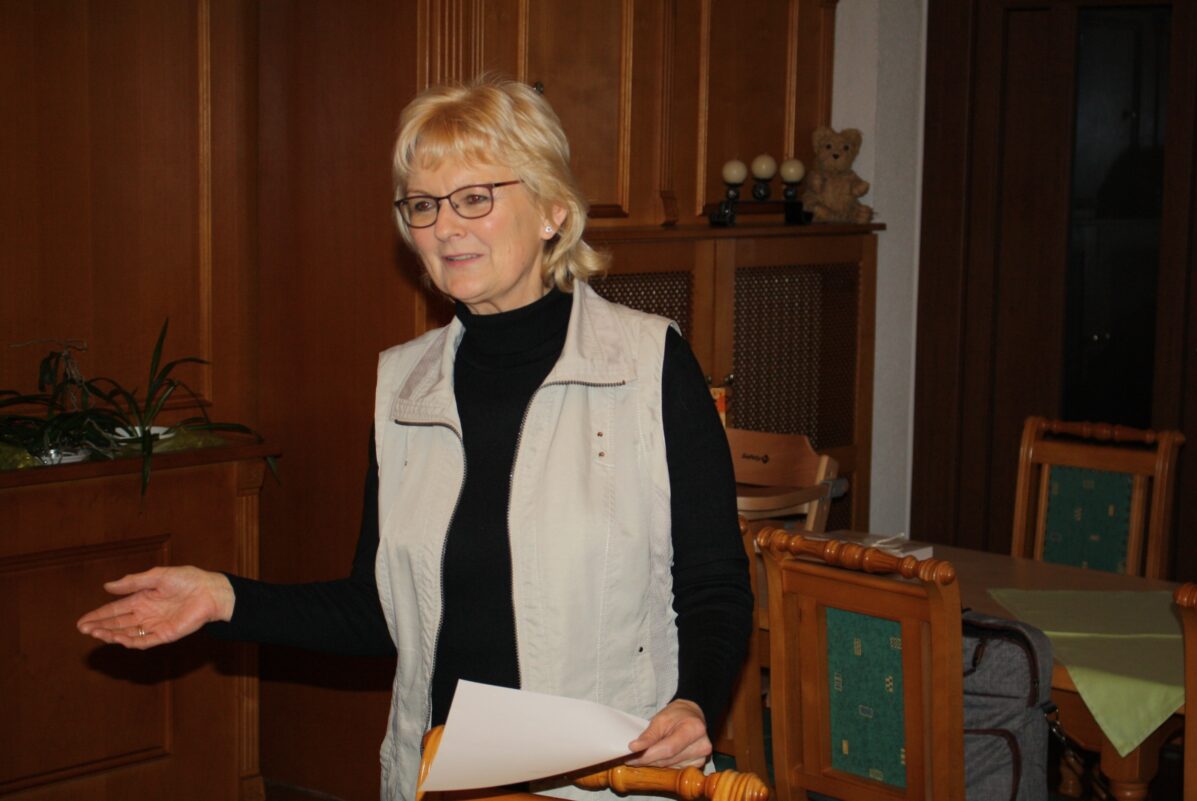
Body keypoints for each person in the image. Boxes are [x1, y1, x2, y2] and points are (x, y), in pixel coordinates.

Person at [77, 76, 752, 801]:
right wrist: (223, 598)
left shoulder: (649, 364)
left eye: (474, 198)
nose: (444, 227)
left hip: (606, 781)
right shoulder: (404, 386)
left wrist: (694, 702)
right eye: (424, 205)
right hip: (439, 779)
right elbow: (378, 610)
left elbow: (713, 582)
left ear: (554, 210)